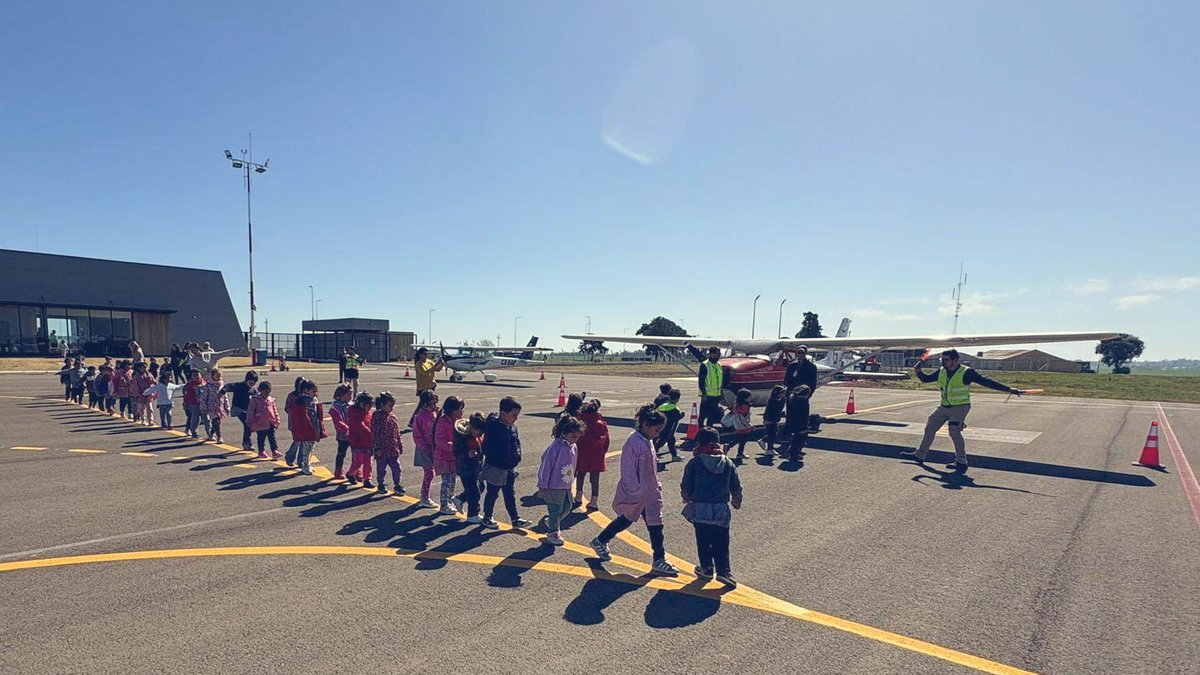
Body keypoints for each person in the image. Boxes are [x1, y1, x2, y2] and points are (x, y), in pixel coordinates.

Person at [588, 404, 680, 576]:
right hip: (637, 493)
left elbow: (651, 467)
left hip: (650, 493)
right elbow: (628, 469)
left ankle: (659, 559)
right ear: (645, 425)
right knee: (627, 519)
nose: (658, 434)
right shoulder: (634, 442)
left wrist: (656, 485)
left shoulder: (648, 441)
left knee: (656, 525)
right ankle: (600, 540)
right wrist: (634, 490)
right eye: (657, 430)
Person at [900, 349, 1023, 472]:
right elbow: (926, 379)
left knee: (954, 432)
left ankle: (961, 461)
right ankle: (920, 455)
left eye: (946, 360)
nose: (943, 362)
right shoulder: (942, 371)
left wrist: (1009, 389)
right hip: (944, 406)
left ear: (955, 360)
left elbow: (986, 382)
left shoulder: (966, 372)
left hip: (960, 407)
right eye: (942, 360)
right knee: (930, 427)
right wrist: (918, 371)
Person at [681, 427, 743, 588]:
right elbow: (736, 484)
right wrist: (736, 499)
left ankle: (706, 567)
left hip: (701, 506)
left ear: (698, 443)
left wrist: (686, 496)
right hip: (720, 507)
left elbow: (687, 483)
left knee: (703, 539)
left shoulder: (695, 462)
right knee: (721, 540)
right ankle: (724, 571)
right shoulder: (727, 462)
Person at [480, 396, 532, 529]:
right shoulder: (493, 428)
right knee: (492, 492)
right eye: (513, 415)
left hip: (509, 467)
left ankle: (515, 519)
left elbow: (516, 444)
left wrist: (516, 457)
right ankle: (487, 517)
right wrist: (498, 460)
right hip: (496, 467)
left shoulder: (512, 428)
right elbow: (487, 447)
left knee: (510, 493)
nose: (516, 418)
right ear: (503, 413)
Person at [537, 415, 584, 547]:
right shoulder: (556, 447)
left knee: (568, 507)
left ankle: (552, 522)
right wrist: (543, 483)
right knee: (555, 509)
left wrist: (572, 479)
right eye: (573, 435)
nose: (576, 438)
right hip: (554, 485)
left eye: (578, 435)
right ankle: (553, 532)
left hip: (566, 484)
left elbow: (574, 464)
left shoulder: (573, 447)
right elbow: (546, 464)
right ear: (564, 433)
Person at [574, 399, 609, 510]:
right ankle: (594, 500)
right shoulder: (601, 424)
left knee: (580, 474)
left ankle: (578, 495)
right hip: (597, 453)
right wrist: (603, 451)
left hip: (582, 452)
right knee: (595, 478)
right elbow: (607, 440)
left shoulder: (581, 423)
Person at [452, 412, 487, 523]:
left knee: (480, 487)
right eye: (478, 431)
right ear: (471, 427)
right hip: (466, 468)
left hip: (476, 467)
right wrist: (467, 454)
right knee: (474, 491)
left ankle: (460, 499)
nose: (480, 433)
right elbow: (457, 451)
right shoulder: (463, 436)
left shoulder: (476, 436)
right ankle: (473, 514)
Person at [433, 395, 465, 515]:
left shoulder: (458, 422)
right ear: (452, 410)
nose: (462, 412)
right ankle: (444, 505)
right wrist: (452, 446)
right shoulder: (443, 422)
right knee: (446, 482)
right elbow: (439, 440)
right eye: (460, 409)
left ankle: (449, 501)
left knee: (452, 482)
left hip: (453, 458)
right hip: (443, 457)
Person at [287, 379, 327, 475]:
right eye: (313, 391)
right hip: (306, 428)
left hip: (314, 427)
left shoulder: (313, 400)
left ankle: (307, 463)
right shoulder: (302, 401)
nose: (315, 393)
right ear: (306, 391)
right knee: (306, 448)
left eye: (316, 391)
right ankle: (305, 465)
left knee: (311, 447)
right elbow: (300, 417)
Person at [370, 391, 404, 495]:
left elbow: (396, 431)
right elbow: (374, 433)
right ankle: (381, 484)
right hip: (382, 449)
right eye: (390, 406)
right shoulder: (376, 417)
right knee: (381, 469)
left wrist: (399, 444)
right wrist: (376, 448)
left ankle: (397, 484)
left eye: (393, 406)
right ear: (382, 405)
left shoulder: (392, 417)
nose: (392, 408)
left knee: (396, 468)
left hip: (393, 448)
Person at [412, 390, 439, 508]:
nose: (434, 406)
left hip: (432, 447)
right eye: (431, 404)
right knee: (429, 473)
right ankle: (424, 497)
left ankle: (424, 495)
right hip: (424, 449)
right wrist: (423, 446)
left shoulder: (433, 414)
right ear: (424, 404)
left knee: (431, 472)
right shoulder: (420, 416)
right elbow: (417, 434)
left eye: (435, 403)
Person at [689, 345, 728, 428]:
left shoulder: (719, 365)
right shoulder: (705, 365)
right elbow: (701, 381)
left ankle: (709, 430)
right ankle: (700, 429)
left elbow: (720, 380)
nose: (716, 356)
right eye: (714, 354)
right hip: (707, 395)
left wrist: (721, 393)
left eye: (718, 354)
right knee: (703, 414)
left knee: (712, 415)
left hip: (716, 395)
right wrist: (704, 394)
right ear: (710, 354)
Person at [223, 371, 260, 451]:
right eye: (250, 382)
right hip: (238, 409)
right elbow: (228, 386)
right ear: (246, 380)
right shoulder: (239, 386)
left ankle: (246, 442)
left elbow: (258, 397)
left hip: (247, 411)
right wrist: (222, 391)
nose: (252, 384)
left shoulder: (253, 390)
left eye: (253, 383)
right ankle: (246, 443)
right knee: (247, 424)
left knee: (249, 425)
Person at [346, 391, 375, 487]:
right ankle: (351, 473)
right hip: (358, 441)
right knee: (358, 461)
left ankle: (367, 479)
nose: (370, 408)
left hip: (368, 442)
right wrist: (371, 432)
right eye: (368, 405)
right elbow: (360, 426)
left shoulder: (368, 413)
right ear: (362, 404)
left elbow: (370, 423)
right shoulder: (354, 413)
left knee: (368, 462)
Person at [247, 381, 281, 459]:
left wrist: (277, 419)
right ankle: (261, 451)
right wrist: (250, 422)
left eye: (269, 392)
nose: (267, 394)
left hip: (270, 422)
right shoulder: (255, 400)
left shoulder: (270, 400)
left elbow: (274, 410)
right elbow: (250, 411)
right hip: (260, 422)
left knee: (272, 438)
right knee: (261, 438)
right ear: (260, 390)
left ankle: (275, 451)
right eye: (265, 392)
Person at [329, 384, 353, 480]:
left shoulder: (351, 405)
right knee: (341, 453)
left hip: (354, 434)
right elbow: (337, 421)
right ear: (341, 395)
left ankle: (354, 469)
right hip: (343, 435)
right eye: (348, 395)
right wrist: (346, 429)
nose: (350, 397)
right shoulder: (336, 407)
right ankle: (338, 470)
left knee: (356, 453)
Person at [653, 388, 684, 460]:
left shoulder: (663, 406)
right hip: (669, 430)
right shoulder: (674, 408)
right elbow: (678, 416)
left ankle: (674, 455)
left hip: (660, 428)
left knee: (671, 442)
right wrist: (683, 414)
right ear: (677, 399)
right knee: (661, 443)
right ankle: (653, 454)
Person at [201, 368, 230, 443]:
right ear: (212, 376)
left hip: (220, 407)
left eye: (220, 376)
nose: (219, 378)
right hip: (211, 407)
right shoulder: (208, 386)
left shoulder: (222, 386)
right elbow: (204, 397)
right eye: (217, 376)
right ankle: (219, 436)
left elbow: (225, 397)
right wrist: (203, 407)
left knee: (216, 421)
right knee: (216, 421)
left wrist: (227, 407)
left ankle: (211, 434)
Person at [783, 385, 811, 461]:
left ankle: (794, 451)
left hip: (794, 421)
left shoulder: (793, 398)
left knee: (798, 438)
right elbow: (803, 413)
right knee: (800, 438)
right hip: (800, 422)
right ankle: (793, 452)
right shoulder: (802, 401)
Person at [760, 385, 787, 456]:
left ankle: (763, 440)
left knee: (774, 434)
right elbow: (772, 411)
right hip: (770, 419)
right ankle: (769, 449)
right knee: (772, 434)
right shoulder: (773, 401)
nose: (784, 395)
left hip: (774, 419)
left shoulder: (780, 400)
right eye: (782, 393)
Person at [730, 388, 754, 460]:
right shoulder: (744, 406)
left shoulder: (738, 404)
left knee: (738, 439)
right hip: (742, 426)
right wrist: (749, 426)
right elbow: (743, 419)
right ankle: (739, 454)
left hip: (738, 425)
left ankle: (728, 447)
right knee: (742, 441)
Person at [131, 361, 156, 426]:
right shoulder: (136, 376)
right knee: (141, 408)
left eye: (145, 367)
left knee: (150, 408)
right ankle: (143, 419)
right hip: (140, 394)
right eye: (143, 367)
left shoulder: (148, 374)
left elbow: (153, 382)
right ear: (139, 368)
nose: (145, 368)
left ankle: (150, 420)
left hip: (148, 394)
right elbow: (135, 386)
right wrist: (138, 395)